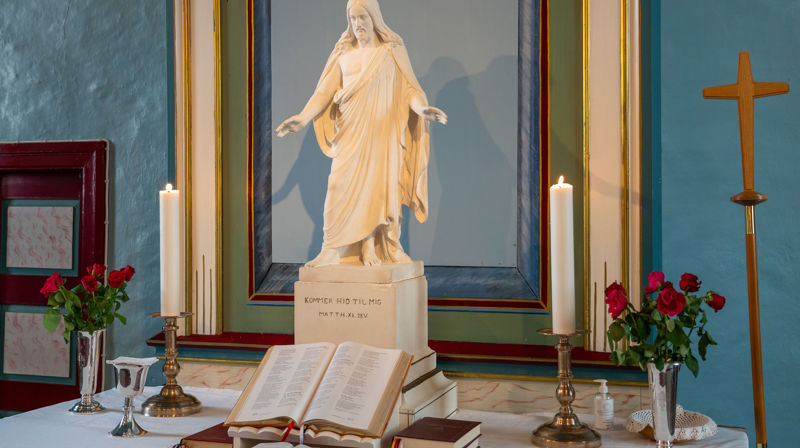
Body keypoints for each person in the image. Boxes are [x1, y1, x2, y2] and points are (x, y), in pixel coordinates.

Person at [276, 0, 447, 267]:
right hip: (350, 135)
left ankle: (372, 246)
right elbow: (323, 93)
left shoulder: (391, 51)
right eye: (352, 18)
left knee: (377, 189)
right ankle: (331, 249)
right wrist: (302, 118)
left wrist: (423, 110)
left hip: (382, 136)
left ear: (374, 19)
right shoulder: (343, 55)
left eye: (362, 17)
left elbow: (410, 89)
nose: (357, 24)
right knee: (337, 185)